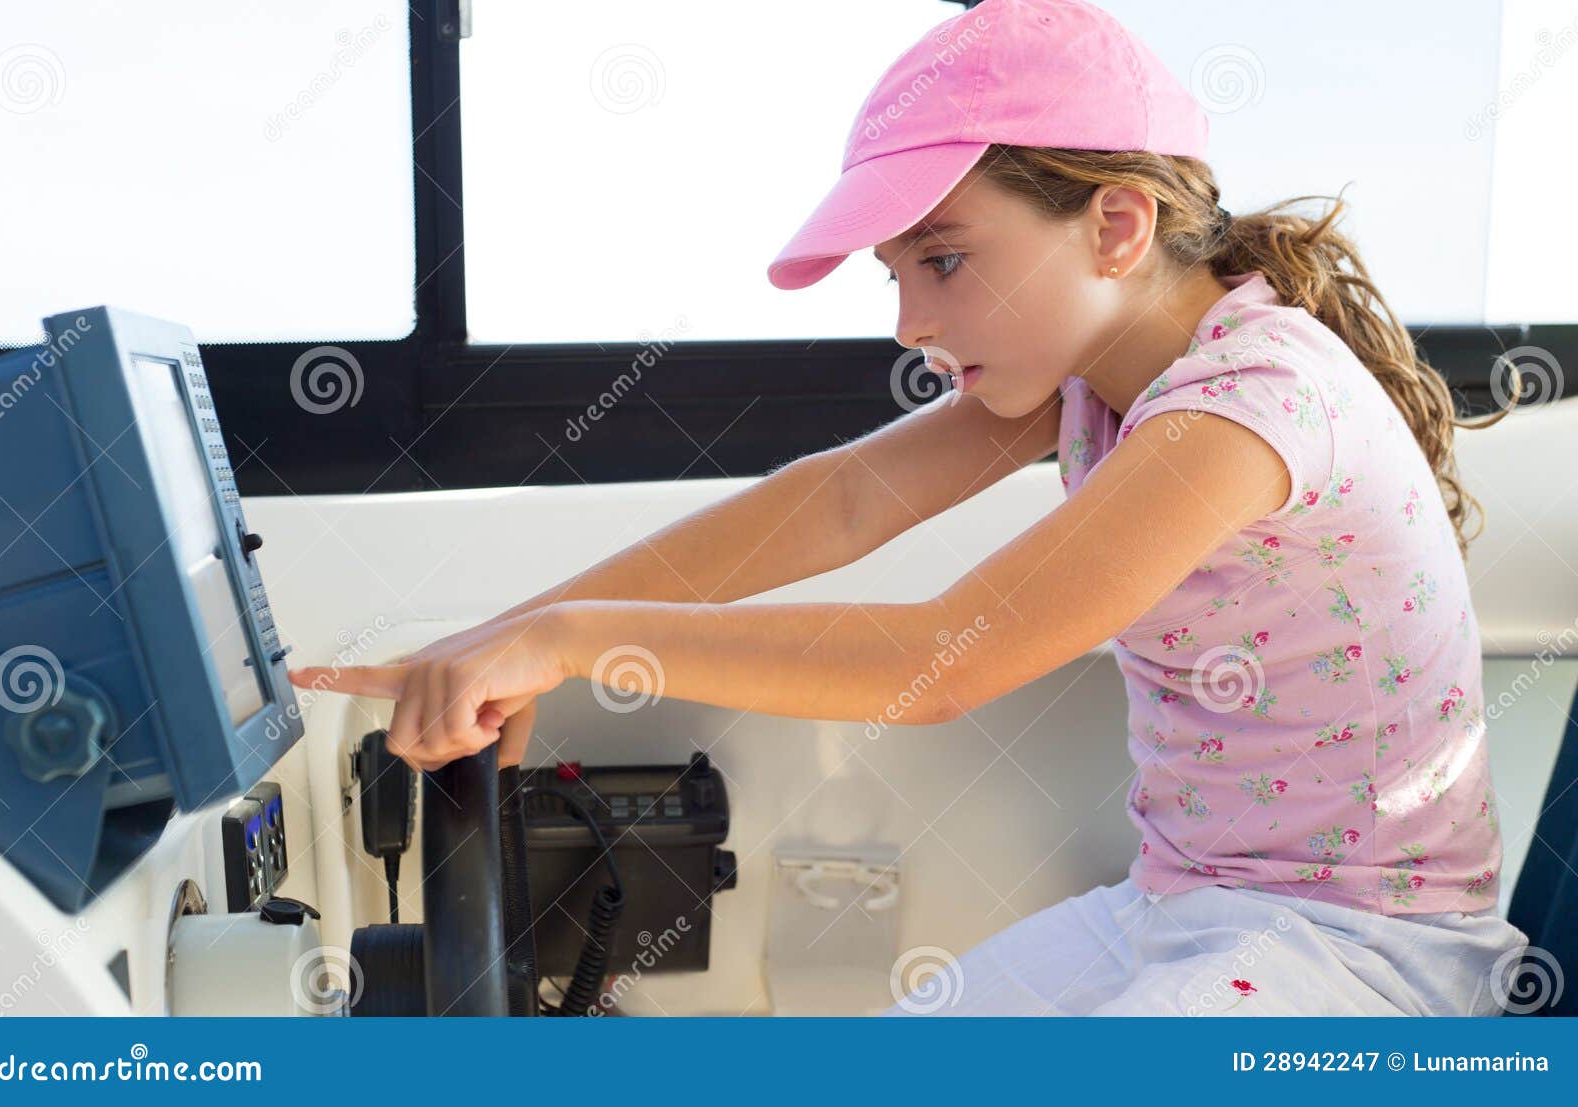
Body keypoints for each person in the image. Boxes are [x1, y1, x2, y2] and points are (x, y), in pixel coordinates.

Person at [291, 0, 1529, 1015]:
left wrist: (568, 647)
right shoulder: (1093, 378)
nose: (910, 325)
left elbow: (946, 661)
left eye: (941, 259)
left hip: (1367, 959)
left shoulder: (1250, 399)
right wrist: (501, 637)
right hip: (1177, 908)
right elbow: (827, 506)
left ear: (1114, 225)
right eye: (896, 275)